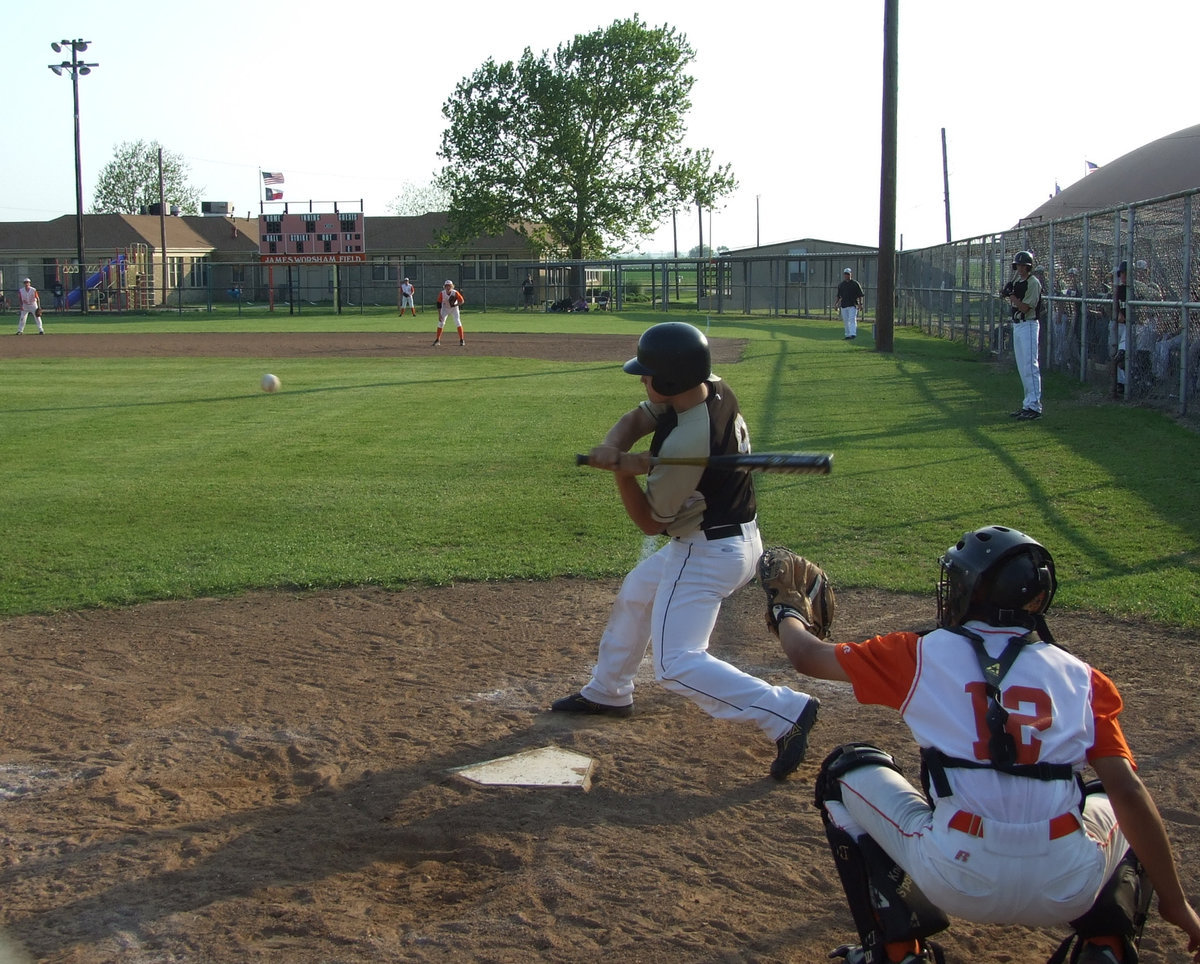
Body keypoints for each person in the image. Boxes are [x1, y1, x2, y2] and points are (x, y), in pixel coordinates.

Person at [756, 527, 1200, 964]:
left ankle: (898, 951)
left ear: (969, 593)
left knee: (845, 769)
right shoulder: (1084, 679)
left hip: (956, 874)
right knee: (1117, 798)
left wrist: (787, 609)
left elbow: (806, 656)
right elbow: (1130, 795)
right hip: (1068, 885)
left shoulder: (919, 653)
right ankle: (1107, 946)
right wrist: (1176, 905)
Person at [550, 321, 820, 781]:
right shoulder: (709, 388)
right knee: (639, 590)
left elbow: (651, 521)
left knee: (677, 665)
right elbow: (639, 417)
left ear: (672, 380)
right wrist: (614, 448)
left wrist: (624, 474)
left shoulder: (691, 440)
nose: (642, 379)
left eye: (649, 373)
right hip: (733, 538)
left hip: (706, 552)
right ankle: (609, 691)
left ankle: (784, 712)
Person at [1003, 251, 1043, 419]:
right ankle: (1028, 404)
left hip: (1029, 325)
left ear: (1029, 267)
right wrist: (1006, 293)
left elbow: (1026, 308)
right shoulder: (1018, 281)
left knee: (1030, 366)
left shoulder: (1033, 283)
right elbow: (1010, 301)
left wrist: (1011, 295)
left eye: (1023, 266)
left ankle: (1034, 407)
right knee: (1022, 367)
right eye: (1018, 265)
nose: (1019, 268)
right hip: (1018, 325)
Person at [834, 268, 865, 340]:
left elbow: (860, 295)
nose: (846, 275)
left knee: (852, 319)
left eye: (848, 274)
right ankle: (847, 335)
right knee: (845, 320)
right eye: (845, 274)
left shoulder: (855, 284)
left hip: (853, 305)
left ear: (851, 274)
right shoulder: (841, 285)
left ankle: (853, 334)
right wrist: (836, 304)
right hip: (844, 305)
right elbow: (839, 296)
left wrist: (861, 304)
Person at [434, 280, 465, 346]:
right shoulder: (442, 293)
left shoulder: (455, 293)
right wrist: (439, 315)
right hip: (445, 308)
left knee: (457, 322)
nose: (448, 287)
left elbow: (462, 301)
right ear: (444, 287)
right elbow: (438, 304)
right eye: (446, 286)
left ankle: (462, 340)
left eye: (449, 286)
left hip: (454, 309)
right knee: (441, 323)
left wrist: (456, 305)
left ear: (452, 286)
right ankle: (437, 340)